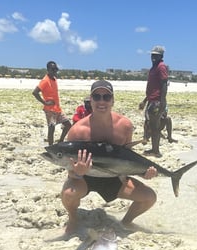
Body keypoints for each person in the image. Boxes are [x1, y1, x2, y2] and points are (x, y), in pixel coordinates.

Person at [61, 80, 158, 234]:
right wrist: (79, 172)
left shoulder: (125, 125)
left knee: (149, 197)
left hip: (114, 176)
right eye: (97, 97)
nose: (101, 101)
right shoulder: (77, 131)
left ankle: (125, 222)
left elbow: (126, 158)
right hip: (85, 177)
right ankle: (73, 219)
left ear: (112, 101)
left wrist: (142, 173)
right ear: (90, 100)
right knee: (68, 194)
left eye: (106, 97)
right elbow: (70, 172)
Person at [139, 45, 169, 158]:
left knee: (155, 127)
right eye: (152, 55)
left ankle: (156, 151)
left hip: (157, 101)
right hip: (151, 100)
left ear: (161, 56)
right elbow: (152, 87)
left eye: (156, 55)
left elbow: (164, 85)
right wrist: (144, 101)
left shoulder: (161, 67)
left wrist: (162, 102)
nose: (153, 57)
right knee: (152, 126)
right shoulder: (153, 68)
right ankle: (154, 149)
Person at [32, 61, 71, 145]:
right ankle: (50, 147)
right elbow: (35, 92)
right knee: (51, 127)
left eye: (56, 69)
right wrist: (44, 103)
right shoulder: (45, 81)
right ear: (48, 69)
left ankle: (60, 141)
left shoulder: (54, 79)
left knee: (68, 124)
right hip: (49, 109)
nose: (55, 71)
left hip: (57, 109)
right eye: (53, 69)